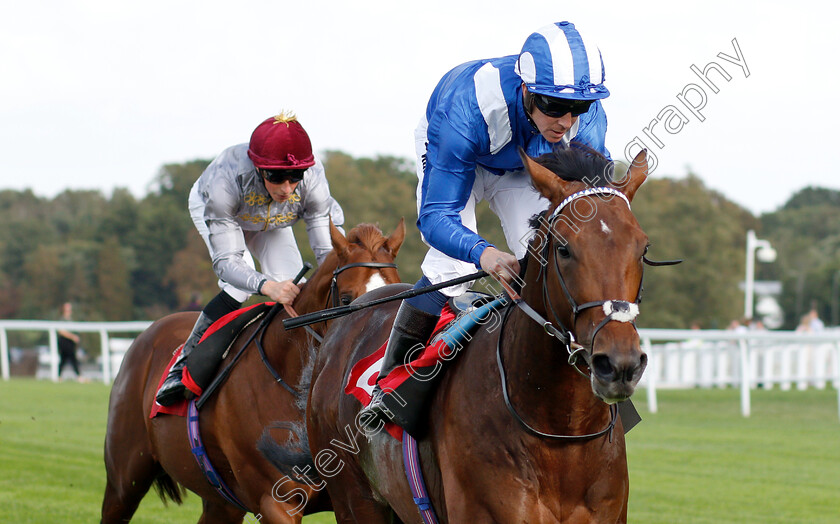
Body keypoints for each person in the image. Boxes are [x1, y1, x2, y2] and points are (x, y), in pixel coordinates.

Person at [361, 21, 611, 425]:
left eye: (577, 109)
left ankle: (585, 384)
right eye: (552, 106)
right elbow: (435, 218)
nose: (566, 121)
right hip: (463, 158)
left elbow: (590, 211)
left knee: (555, 260)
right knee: (454, 268)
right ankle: (388, 387)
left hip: (526, 167)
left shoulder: (588, 118)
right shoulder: (467, 108)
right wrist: (485, 253)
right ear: (527, 89)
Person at [156, 112, 345, 405]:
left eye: (295, 177)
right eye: (276, 177)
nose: (286, 188)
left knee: (299, 291)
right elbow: (227, 263)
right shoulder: (224, 184)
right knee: (240, 287)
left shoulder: (314, 178)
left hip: (273, 222)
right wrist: (267, 286)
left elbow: (328, 252)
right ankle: (182, 365)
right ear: (259, 169)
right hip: (225, 214)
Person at [57, 302, 82, 381]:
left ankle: (59, 376)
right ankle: (78, 376)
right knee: (69, 359)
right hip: (64, 342)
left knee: (67, 359)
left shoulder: (71, 320)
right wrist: (72, 337)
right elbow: (61, 331)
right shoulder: (62, 320)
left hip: (70, 343)